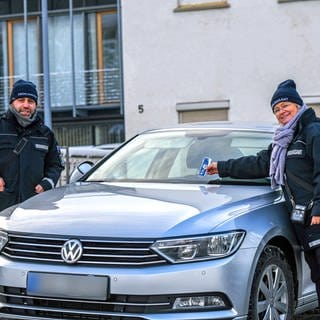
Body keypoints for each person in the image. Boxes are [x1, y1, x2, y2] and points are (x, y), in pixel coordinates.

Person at [206, 79, 320, 306]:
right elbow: (259, 164)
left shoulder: (313, 131)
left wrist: (319, 208)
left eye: (285, 105)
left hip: (316, 216)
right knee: (318, 275)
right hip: (304, 220)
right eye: (276, 109)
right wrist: (221, 167)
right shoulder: (285, 140)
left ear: (298, 105)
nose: (281, 112)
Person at [0, 79, 64, 211]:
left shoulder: (45, 134)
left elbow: (56, 164)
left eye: (30, 101)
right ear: (12, 102)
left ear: (35, 105)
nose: (26, 105)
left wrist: (48, 183)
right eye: (21, 100)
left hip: (34, 206)